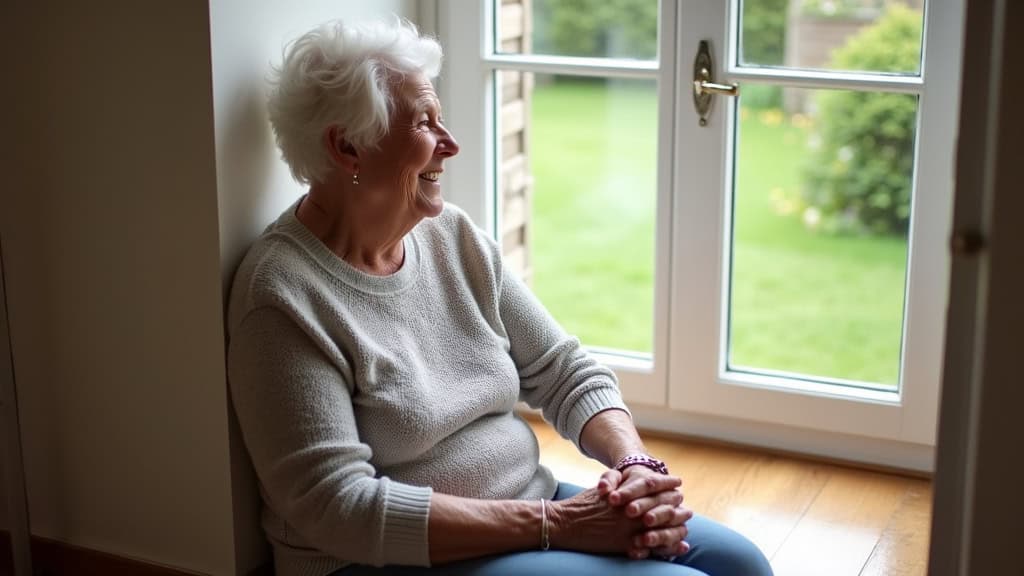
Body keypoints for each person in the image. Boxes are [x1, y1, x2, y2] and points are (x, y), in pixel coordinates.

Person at [226, 17, 773, 576]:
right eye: (424, 122)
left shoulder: (450, 237)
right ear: (347, 146)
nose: (451, 143)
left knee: (741, 564)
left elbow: (563, 369)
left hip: (530, 509)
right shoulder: (281, 297)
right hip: (392, 560)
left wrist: (634, 466)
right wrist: (561, 525)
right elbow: (337, 508)